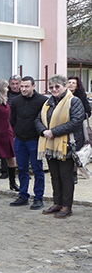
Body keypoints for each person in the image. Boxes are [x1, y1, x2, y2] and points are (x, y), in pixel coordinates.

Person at [35, 74, 85, 219]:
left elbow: (75, 121)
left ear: (64, 86)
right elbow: (38, 119)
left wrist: (54, 132)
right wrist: (44, 131)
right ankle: (57, 203)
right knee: (55, 176)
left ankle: (66, 206)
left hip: (67, 145)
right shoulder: (48, 103)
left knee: (66, 176)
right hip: (50, 144)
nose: (54, 89)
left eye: (57, 86)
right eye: (51, 87)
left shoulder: (73, 101)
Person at [9, 76, 47, 210]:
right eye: (22, 86)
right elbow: (12, 119)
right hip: (20, 140)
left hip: (35, 140)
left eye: (26, 86)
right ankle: (23, 195)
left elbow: (45, 120)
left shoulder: (42, 101)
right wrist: (17, 132)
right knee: (22, 169)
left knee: (37, 170)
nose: (23, 89)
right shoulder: (16, 101)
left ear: (33, 86)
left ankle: (38, 198)